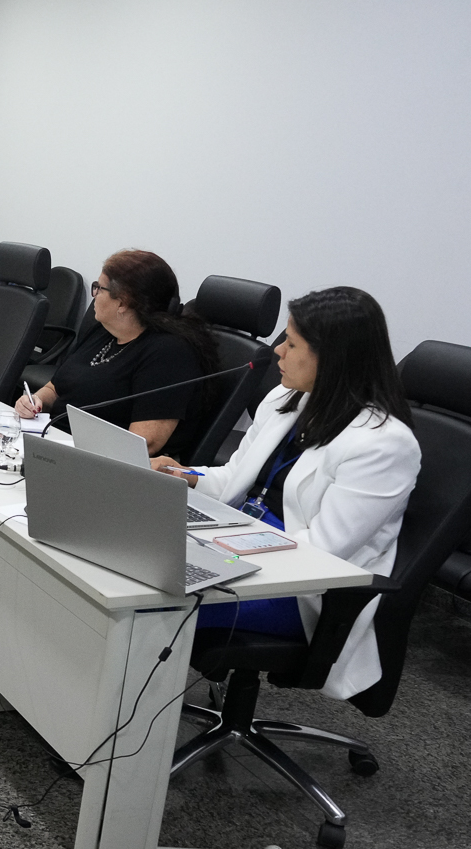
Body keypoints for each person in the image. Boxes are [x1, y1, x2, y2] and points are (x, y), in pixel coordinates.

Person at [151, 286, 419, 700]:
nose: (278, 350)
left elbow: (323, 551)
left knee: (153, 604)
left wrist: (219, 550)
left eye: (291, 343)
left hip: (297, 588)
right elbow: (234, 479)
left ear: (332, 357)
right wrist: (185, 475)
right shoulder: (286, 398)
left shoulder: (384, 444)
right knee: (128, 564)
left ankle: (125, 732)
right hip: (237, 538)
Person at [14, 249, 217, 458]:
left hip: (98, 460)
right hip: (55, 443)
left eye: (99, 288)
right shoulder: (103, 332)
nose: (94, 294)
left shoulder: (169, 354)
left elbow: (144, 444)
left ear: (123, 302)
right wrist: (34, 401)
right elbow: (56, 387)